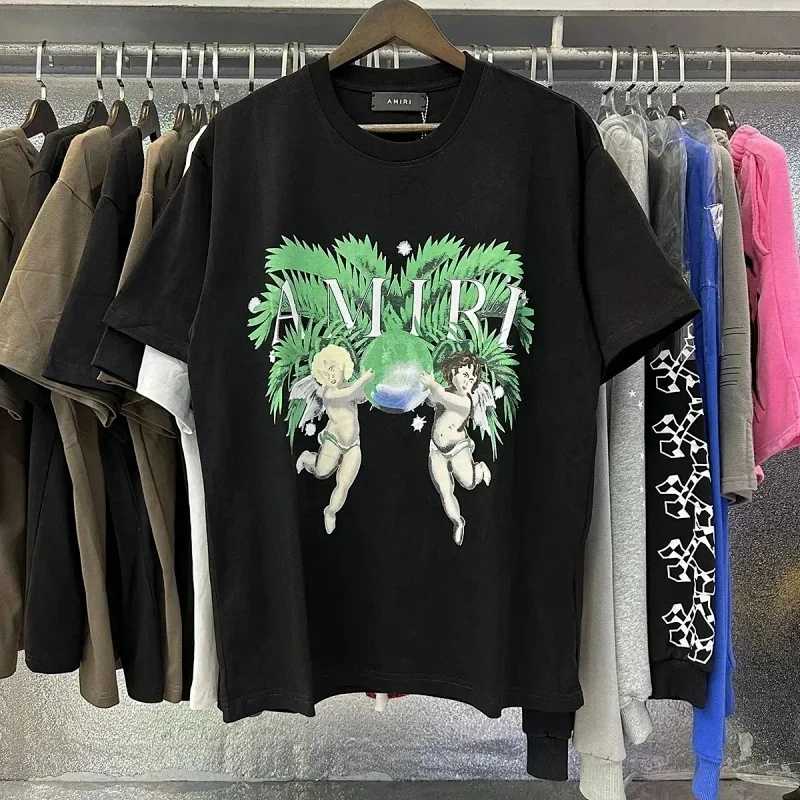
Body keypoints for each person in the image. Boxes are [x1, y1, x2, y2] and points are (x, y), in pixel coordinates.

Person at [292, 344, 373, 534]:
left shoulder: (350, 386)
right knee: (321, 472)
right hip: (333, 442)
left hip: (353, 445)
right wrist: (364, 380)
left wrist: (370, 382)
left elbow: (362, 394)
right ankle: (308, 457)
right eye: (325, 375)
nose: (331, 376)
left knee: (343, 484)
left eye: (332, 369)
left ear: (342, 365)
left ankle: (330, 511)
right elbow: (348, 394)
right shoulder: (329, 393)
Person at [420, 351, 492, 546]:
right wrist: (427, 389)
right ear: (452, 373)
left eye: (472, 378)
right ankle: (457, 521)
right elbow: (432, 399)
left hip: (458, 448)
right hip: (437, 449)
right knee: (445, 490)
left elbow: (442, 397)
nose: (468, 381)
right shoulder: (444, 391)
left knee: (468, 483)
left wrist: (432, 385)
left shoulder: (466, 401)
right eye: (465, 375)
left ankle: (479, 469)